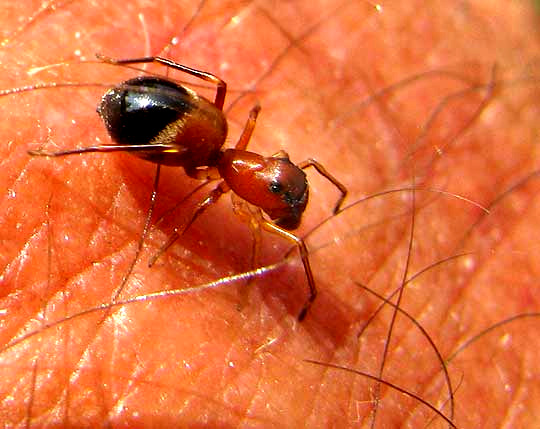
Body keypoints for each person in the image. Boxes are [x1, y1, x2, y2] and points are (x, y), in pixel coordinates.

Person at [0, 0, 538, 426]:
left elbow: (291, 170)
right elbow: (281, 218)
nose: (279, 200)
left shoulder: (236, 152)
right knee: (223, 142)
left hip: (187, 128)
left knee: (219, 99)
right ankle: (68, 144)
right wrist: (303, 288)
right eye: (280, 195)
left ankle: (114, 76)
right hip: (165, 126)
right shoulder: (223, 173)